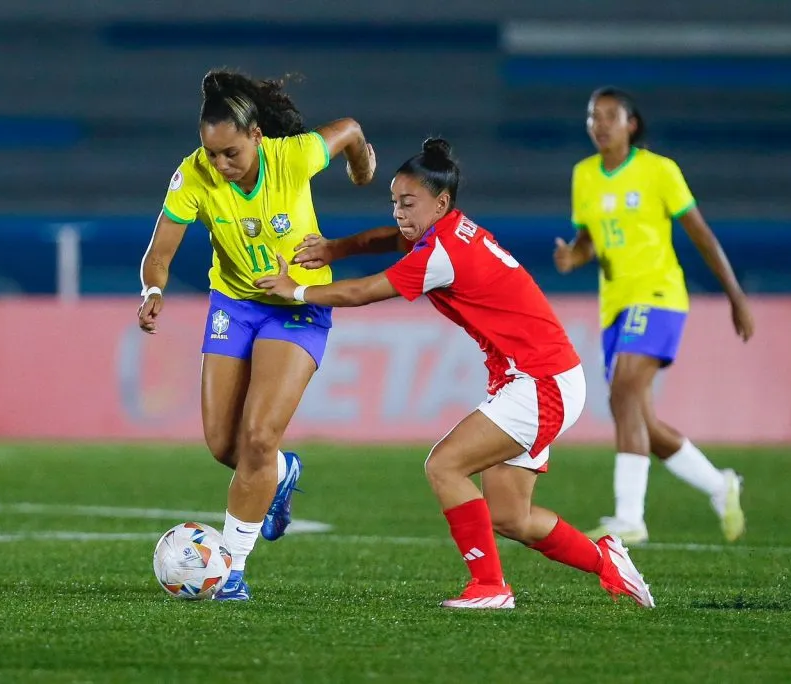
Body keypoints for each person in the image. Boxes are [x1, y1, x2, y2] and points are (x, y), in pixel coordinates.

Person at [260, 137, 655, 610]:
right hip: (544, 376)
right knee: (512, 517)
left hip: (539, 381)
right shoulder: (449, 231)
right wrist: (336, 248)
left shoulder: (441, 253)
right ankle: (607, 560)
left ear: (441, 202)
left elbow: (364, 292)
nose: (399, 213)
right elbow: (390, 239)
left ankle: (491, 588)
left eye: (408, 203)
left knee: (444, 465)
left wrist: (296, 291)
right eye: (394, 203)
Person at [137, 69, 375, 601]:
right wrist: (152, 293)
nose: (220, 166)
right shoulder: (193, 175)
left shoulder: (294, 157)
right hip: (236, 305)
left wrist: (362, 169)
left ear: (256, 137)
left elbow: (352, 130)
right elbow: (160, 253)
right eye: (211, 154)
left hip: (296, 306)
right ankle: (282, 472)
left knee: (258, 437)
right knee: (225, 443)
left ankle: (232, 570)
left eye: (231, 154)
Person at [553, 86, 755, 545]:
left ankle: (630, 518)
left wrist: (735, 295)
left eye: (610, 115)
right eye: (593, 116)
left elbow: (700, 234)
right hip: (615, 306)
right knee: (640, 420)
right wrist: (574, 257)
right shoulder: (583, 176)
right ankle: (720, 485)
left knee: (624, 388)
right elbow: (587, 239)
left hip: (659, 294)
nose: (600, 124)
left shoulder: (658, 171)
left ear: (631, 124)